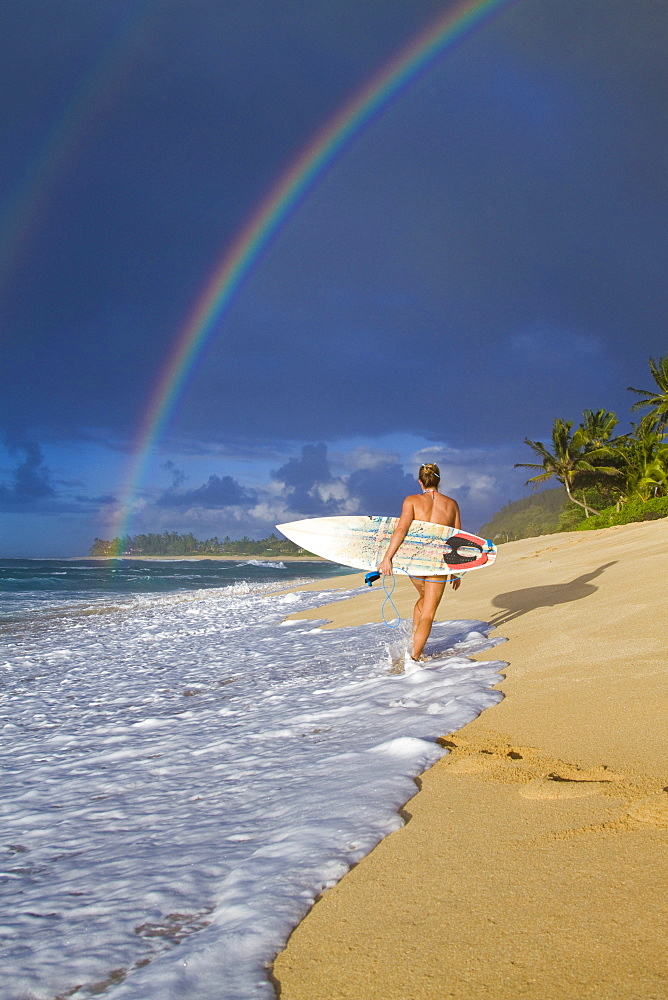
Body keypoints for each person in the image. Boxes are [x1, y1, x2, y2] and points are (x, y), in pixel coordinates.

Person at [378, 463, 461, 661]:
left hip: (414, 560)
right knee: (428, 613)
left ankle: (413, 643)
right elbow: (457, 538)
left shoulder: (411, 501)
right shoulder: (451, 504)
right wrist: (456, 570)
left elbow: (401, 529)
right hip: (438, 562)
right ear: (438, 480)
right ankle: (414, 658)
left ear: (420, 482)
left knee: (423, 600)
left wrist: (387, 558)